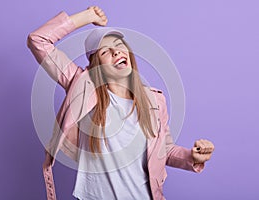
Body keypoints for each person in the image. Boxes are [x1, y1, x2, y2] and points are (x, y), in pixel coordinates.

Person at [27, 6, 214, 200]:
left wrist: (192, 158)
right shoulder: (81, 86)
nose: (116, 52)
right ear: (95, 66)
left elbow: (164, 151)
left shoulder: (155, 100)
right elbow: (38, 40)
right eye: (106, 52)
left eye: (119, 46)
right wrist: (87, 17)